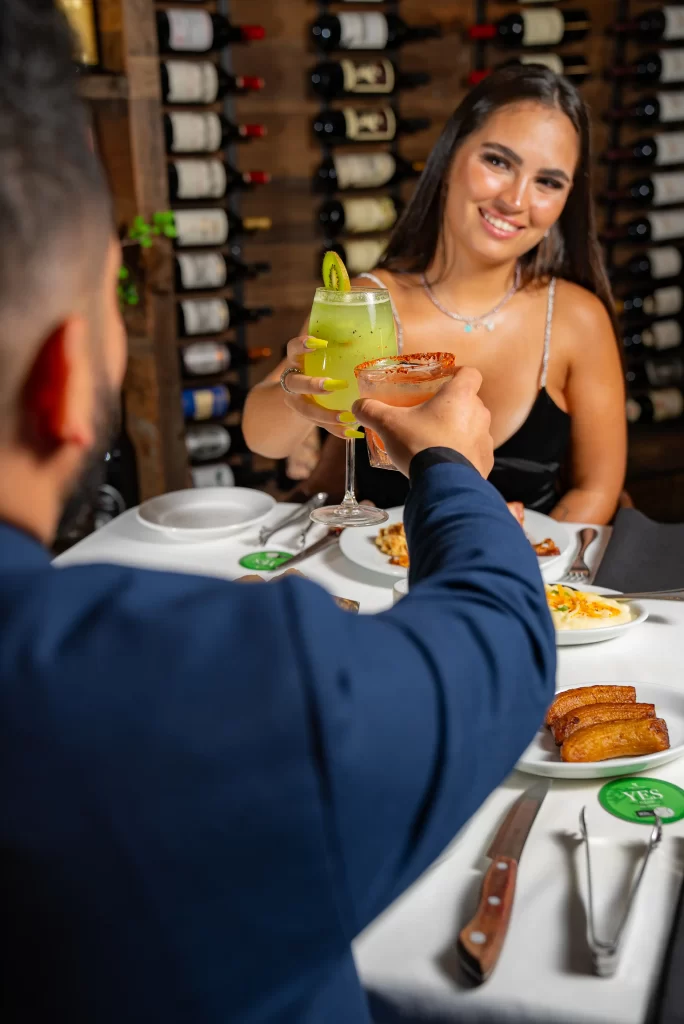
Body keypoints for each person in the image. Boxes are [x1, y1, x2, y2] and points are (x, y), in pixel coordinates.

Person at [0, 3, 555, 1021]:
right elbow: (497, 645)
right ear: (64, 374)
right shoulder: (217, 699)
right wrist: (447, 466)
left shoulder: (570, 316)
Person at [243, 66, 627, 525]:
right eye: (498, 162)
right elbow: (263, 439)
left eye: (548, 182)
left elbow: (597, 489)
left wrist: (521, 564)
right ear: (449, 156)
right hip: (385, 584)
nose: (516, 200)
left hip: (530, 584)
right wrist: (296, 391)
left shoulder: (576, 317)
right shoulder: (371, 302)